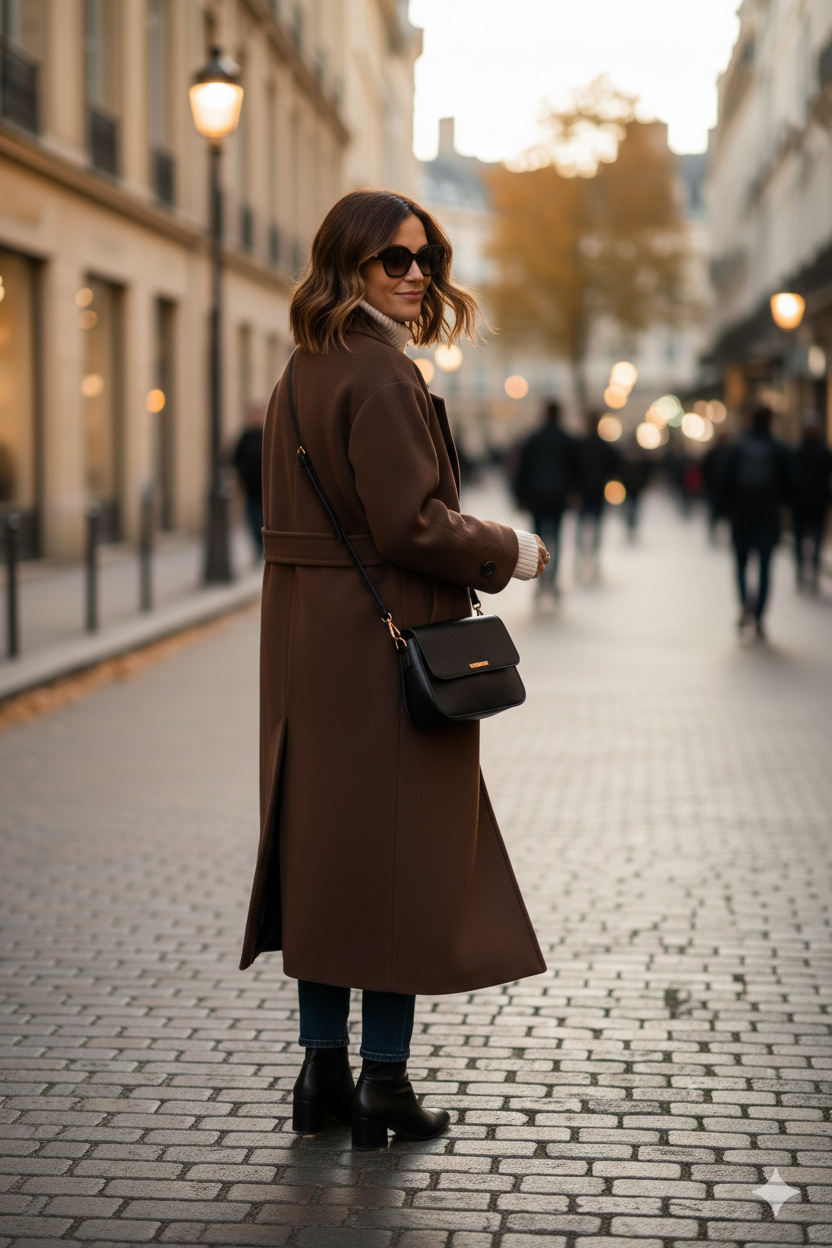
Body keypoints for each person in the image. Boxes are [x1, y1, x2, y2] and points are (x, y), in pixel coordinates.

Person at [238, 189, 548, 1151]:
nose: (417, 275)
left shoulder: (303, 367)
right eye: (395, 260)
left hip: (309, 642)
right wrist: (508, 549)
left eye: (427, 259)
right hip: (386, 642)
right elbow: (410, 523)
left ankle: (321, 1072)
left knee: (326, 856)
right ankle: (383, 1081)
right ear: (350, 266)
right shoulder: (381, 374)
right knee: (402, 858)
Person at [720, 405, 791, 638]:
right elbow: (791, 484)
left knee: (741, 565)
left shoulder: (738, 448)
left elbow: (724, 482)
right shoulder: (778, 448)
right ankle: (759, 615)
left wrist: (725, 511)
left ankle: (745, 603)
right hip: (768, 516)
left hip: (741, 516)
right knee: (765, 567)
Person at [512, 399, 577, 600]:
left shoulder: (533, 438)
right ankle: (553, 581)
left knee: (536, 540)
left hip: (536, 496)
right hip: (558, 496)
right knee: (556, 539)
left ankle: (540, 582)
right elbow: (575, 470)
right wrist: (574, 492)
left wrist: (519, 496)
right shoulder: (567, 439)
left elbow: (522, 469)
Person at [575, 410, 620, 579]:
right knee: (597, 527)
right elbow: (615, 466)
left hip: (583, 493)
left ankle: (580, 558)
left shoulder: (580, 445)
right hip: (598, 492)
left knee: (581, 526)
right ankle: (594, 559)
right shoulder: (604, 445)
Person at [791, 412, 832, 593]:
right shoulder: (824, 452)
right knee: (816, 539)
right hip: (817, 502)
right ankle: (812, 572)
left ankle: (801, 572)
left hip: (800, 503)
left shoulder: (796, 452)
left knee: (800, 540)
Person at [232, 405, 265, 558]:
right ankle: (258, 546)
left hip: (267, 489)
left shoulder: (268, 434)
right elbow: (236, 458)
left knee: (264, 519)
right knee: (252, 519)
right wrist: (240, 477)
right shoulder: (246, 437)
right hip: (250, 487)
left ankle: (263, 545)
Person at [618, 441, 651, 539]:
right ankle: (629, 524)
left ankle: (632, 525)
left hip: (636, 489)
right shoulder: (625, 460)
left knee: (635, 508)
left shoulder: (642, 461)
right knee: (628, 508)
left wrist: (643, 484)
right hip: (627, 488)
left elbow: (645, 474)